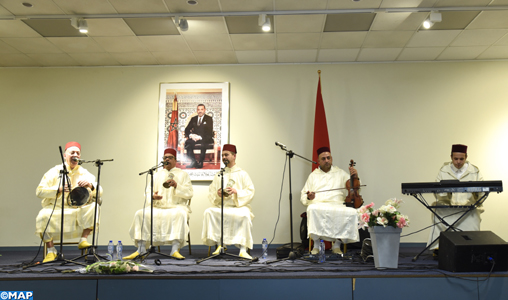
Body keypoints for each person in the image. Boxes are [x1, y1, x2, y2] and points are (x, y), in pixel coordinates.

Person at [35, 142, 102, 263]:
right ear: (65, 155)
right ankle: (51, 251)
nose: (75, 155)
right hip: (57, 208)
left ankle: (83, 239)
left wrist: (90, 185)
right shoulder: (54, 171)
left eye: (78, 153)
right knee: (42, 216)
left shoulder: (84, 172)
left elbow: (100, 192)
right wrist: (58, 189)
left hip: (77, 208)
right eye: (72, 153)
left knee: (94, 206)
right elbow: (39, 192)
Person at [124, 148, 193, 260]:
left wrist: (177, 186)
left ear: (175, 160)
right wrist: (152, 196)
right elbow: (148, 191)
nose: (167, 159)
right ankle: (141, 249)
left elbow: (189, 193)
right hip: (158, 206)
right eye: (165, 157)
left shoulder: (183, 174)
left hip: (176, 206)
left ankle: (175, 250)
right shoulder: (156, 174)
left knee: (181, 214)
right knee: (140, 214)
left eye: (170, 157)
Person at [301, 146, 359, 255]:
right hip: (318, 203)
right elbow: (304, 196)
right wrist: (309, 197)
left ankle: (337, 245)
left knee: (351, 212)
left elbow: (354, 186)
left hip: (338, 203)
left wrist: (354, 176)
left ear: (331, 159)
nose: (326, 160)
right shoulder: (313, 175)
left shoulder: (341, 173)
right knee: (312, 209)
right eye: (323, 159)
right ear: (318, 161)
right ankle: (316, 245)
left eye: (328, 158)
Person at [201, 144, 255, 259]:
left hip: (238, 206)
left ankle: (243, 249)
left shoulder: (242, 173)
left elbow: (250, 191)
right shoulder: (219, 174)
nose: (224, 157)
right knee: (209, 212)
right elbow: (211, 191)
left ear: (234, 156)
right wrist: (218, 194)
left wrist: (236, 192)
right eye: (222, 155)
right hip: (223, 205)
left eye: (227, 155)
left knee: (245, 215)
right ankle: (220, 244)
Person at [427, 144, 484, 252]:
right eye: (455, 159)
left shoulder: (475, 171)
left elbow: (481, 192)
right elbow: (437, 190)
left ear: (466, 157)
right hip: (448, 206)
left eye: (461, 159)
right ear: (451, 157)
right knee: (438, 209)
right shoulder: (444, 170)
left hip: (468, 207)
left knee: (474, 212)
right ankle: (439, 248)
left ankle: (471, 247)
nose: (458, 162)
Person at [184, 104, 214, 169]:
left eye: (201, 109)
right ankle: (193, 161)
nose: (200, 111)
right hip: (195, 137)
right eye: (198, 109)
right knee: (188, 142)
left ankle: (200, 162)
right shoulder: (193, 119)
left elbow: (209, 132)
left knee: (203, 143)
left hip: (205, 137)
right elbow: (186, 129)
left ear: (204, 110)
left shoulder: (209, 119)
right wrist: (191, 135)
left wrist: (200, 137)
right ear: (197, 111)